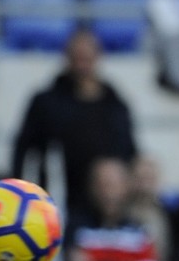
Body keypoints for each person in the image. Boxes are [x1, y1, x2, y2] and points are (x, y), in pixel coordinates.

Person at [12, 28, 137, 212]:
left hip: (107, 200)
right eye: (77, 58)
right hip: (58, 193)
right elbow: (23, 148)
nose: (82, 65)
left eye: (87, 58)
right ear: (67, 58)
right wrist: (19, 192)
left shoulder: (114, 102)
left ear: (98, 57)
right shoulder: (47, 101)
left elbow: (129, 149)